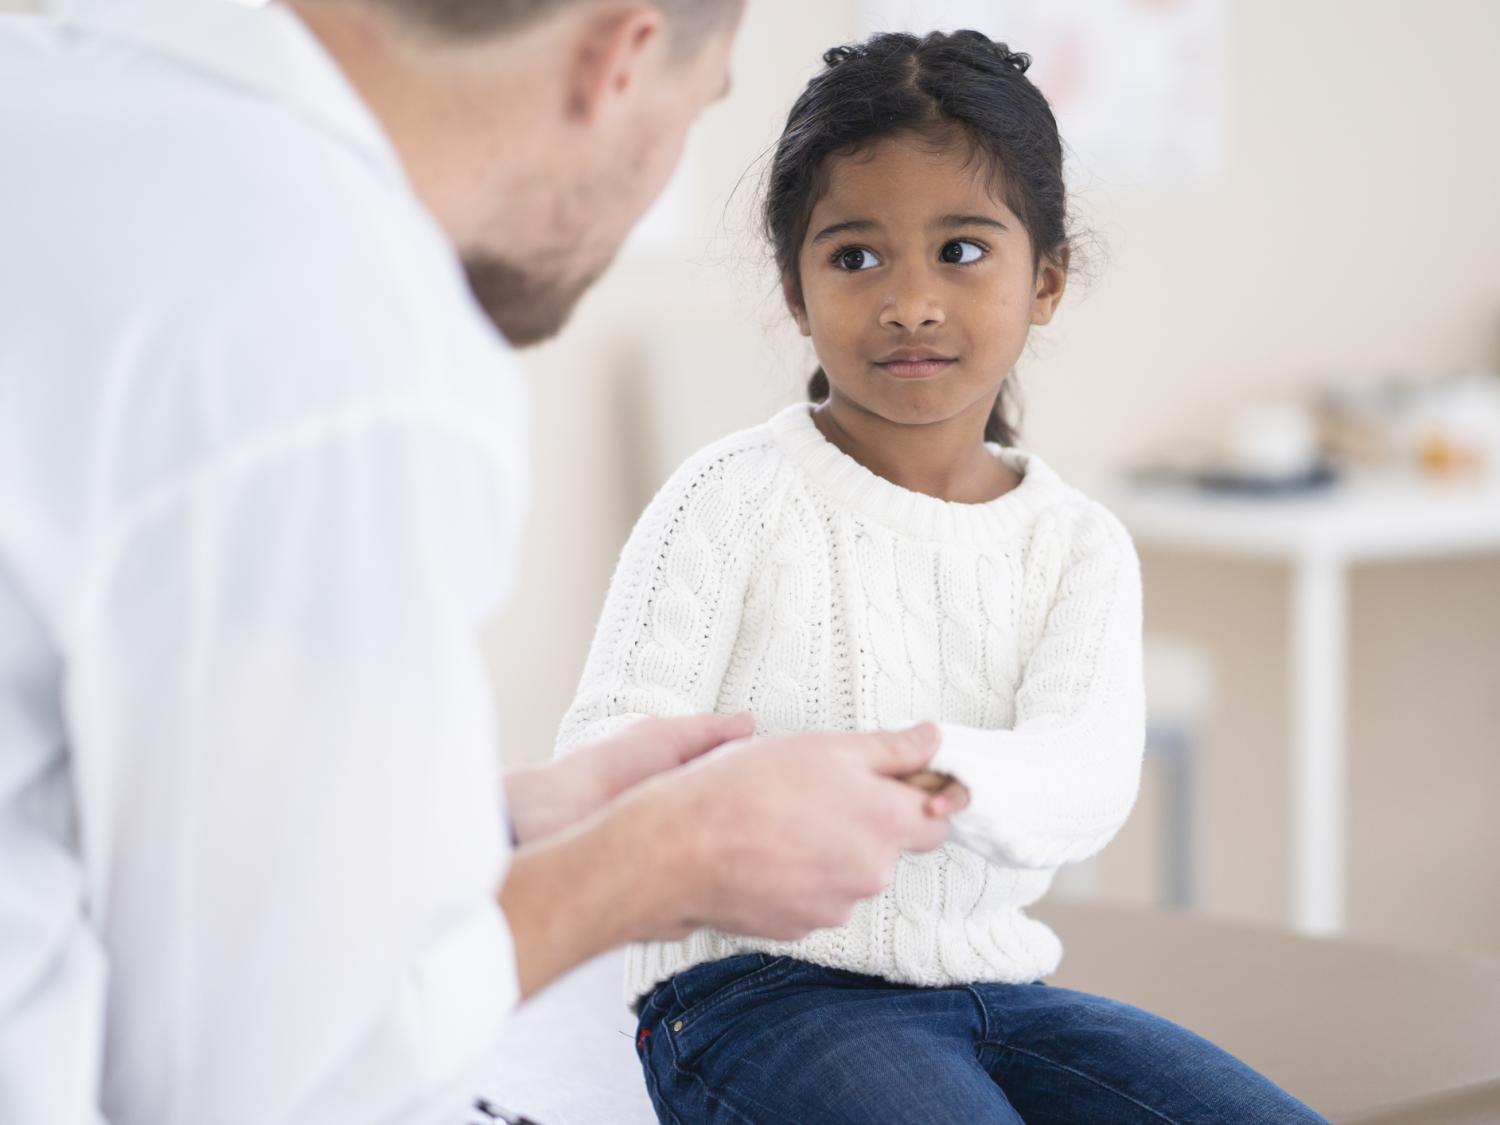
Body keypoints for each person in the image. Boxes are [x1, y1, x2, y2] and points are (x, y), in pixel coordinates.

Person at [0, 1, 966, 1122]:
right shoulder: (343, 346)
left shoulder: (52, 93)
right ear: (621, 57)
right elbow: (276, 1089)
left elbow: (93, 793)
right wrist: (663, 859)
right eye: (692, 119)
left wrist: (485, 823)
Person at [557, 30, 1330, 1123]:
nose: (910, 301)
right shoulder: (726, 499)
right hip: (750, 997)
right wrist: (753, 807)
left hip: (1000, 993)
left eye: (961, 252)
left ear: (1047, 278)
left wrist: (899, 774)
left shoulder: (1077, 545)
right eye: (856, 256)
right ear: (795, 289)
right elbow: (601, 757)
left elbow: (1085, 778)